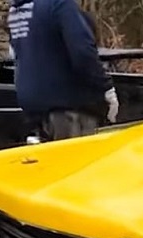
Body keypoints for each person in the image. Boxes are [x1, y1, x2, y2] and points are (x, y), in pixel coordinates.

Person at [7, 0, 119, 141]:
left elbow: (16, 54)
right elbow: (83, 53)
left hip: (33, 108)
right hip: (68, 109)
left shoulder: (16, 10)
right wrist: (105, 87)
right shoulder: (59, 4)